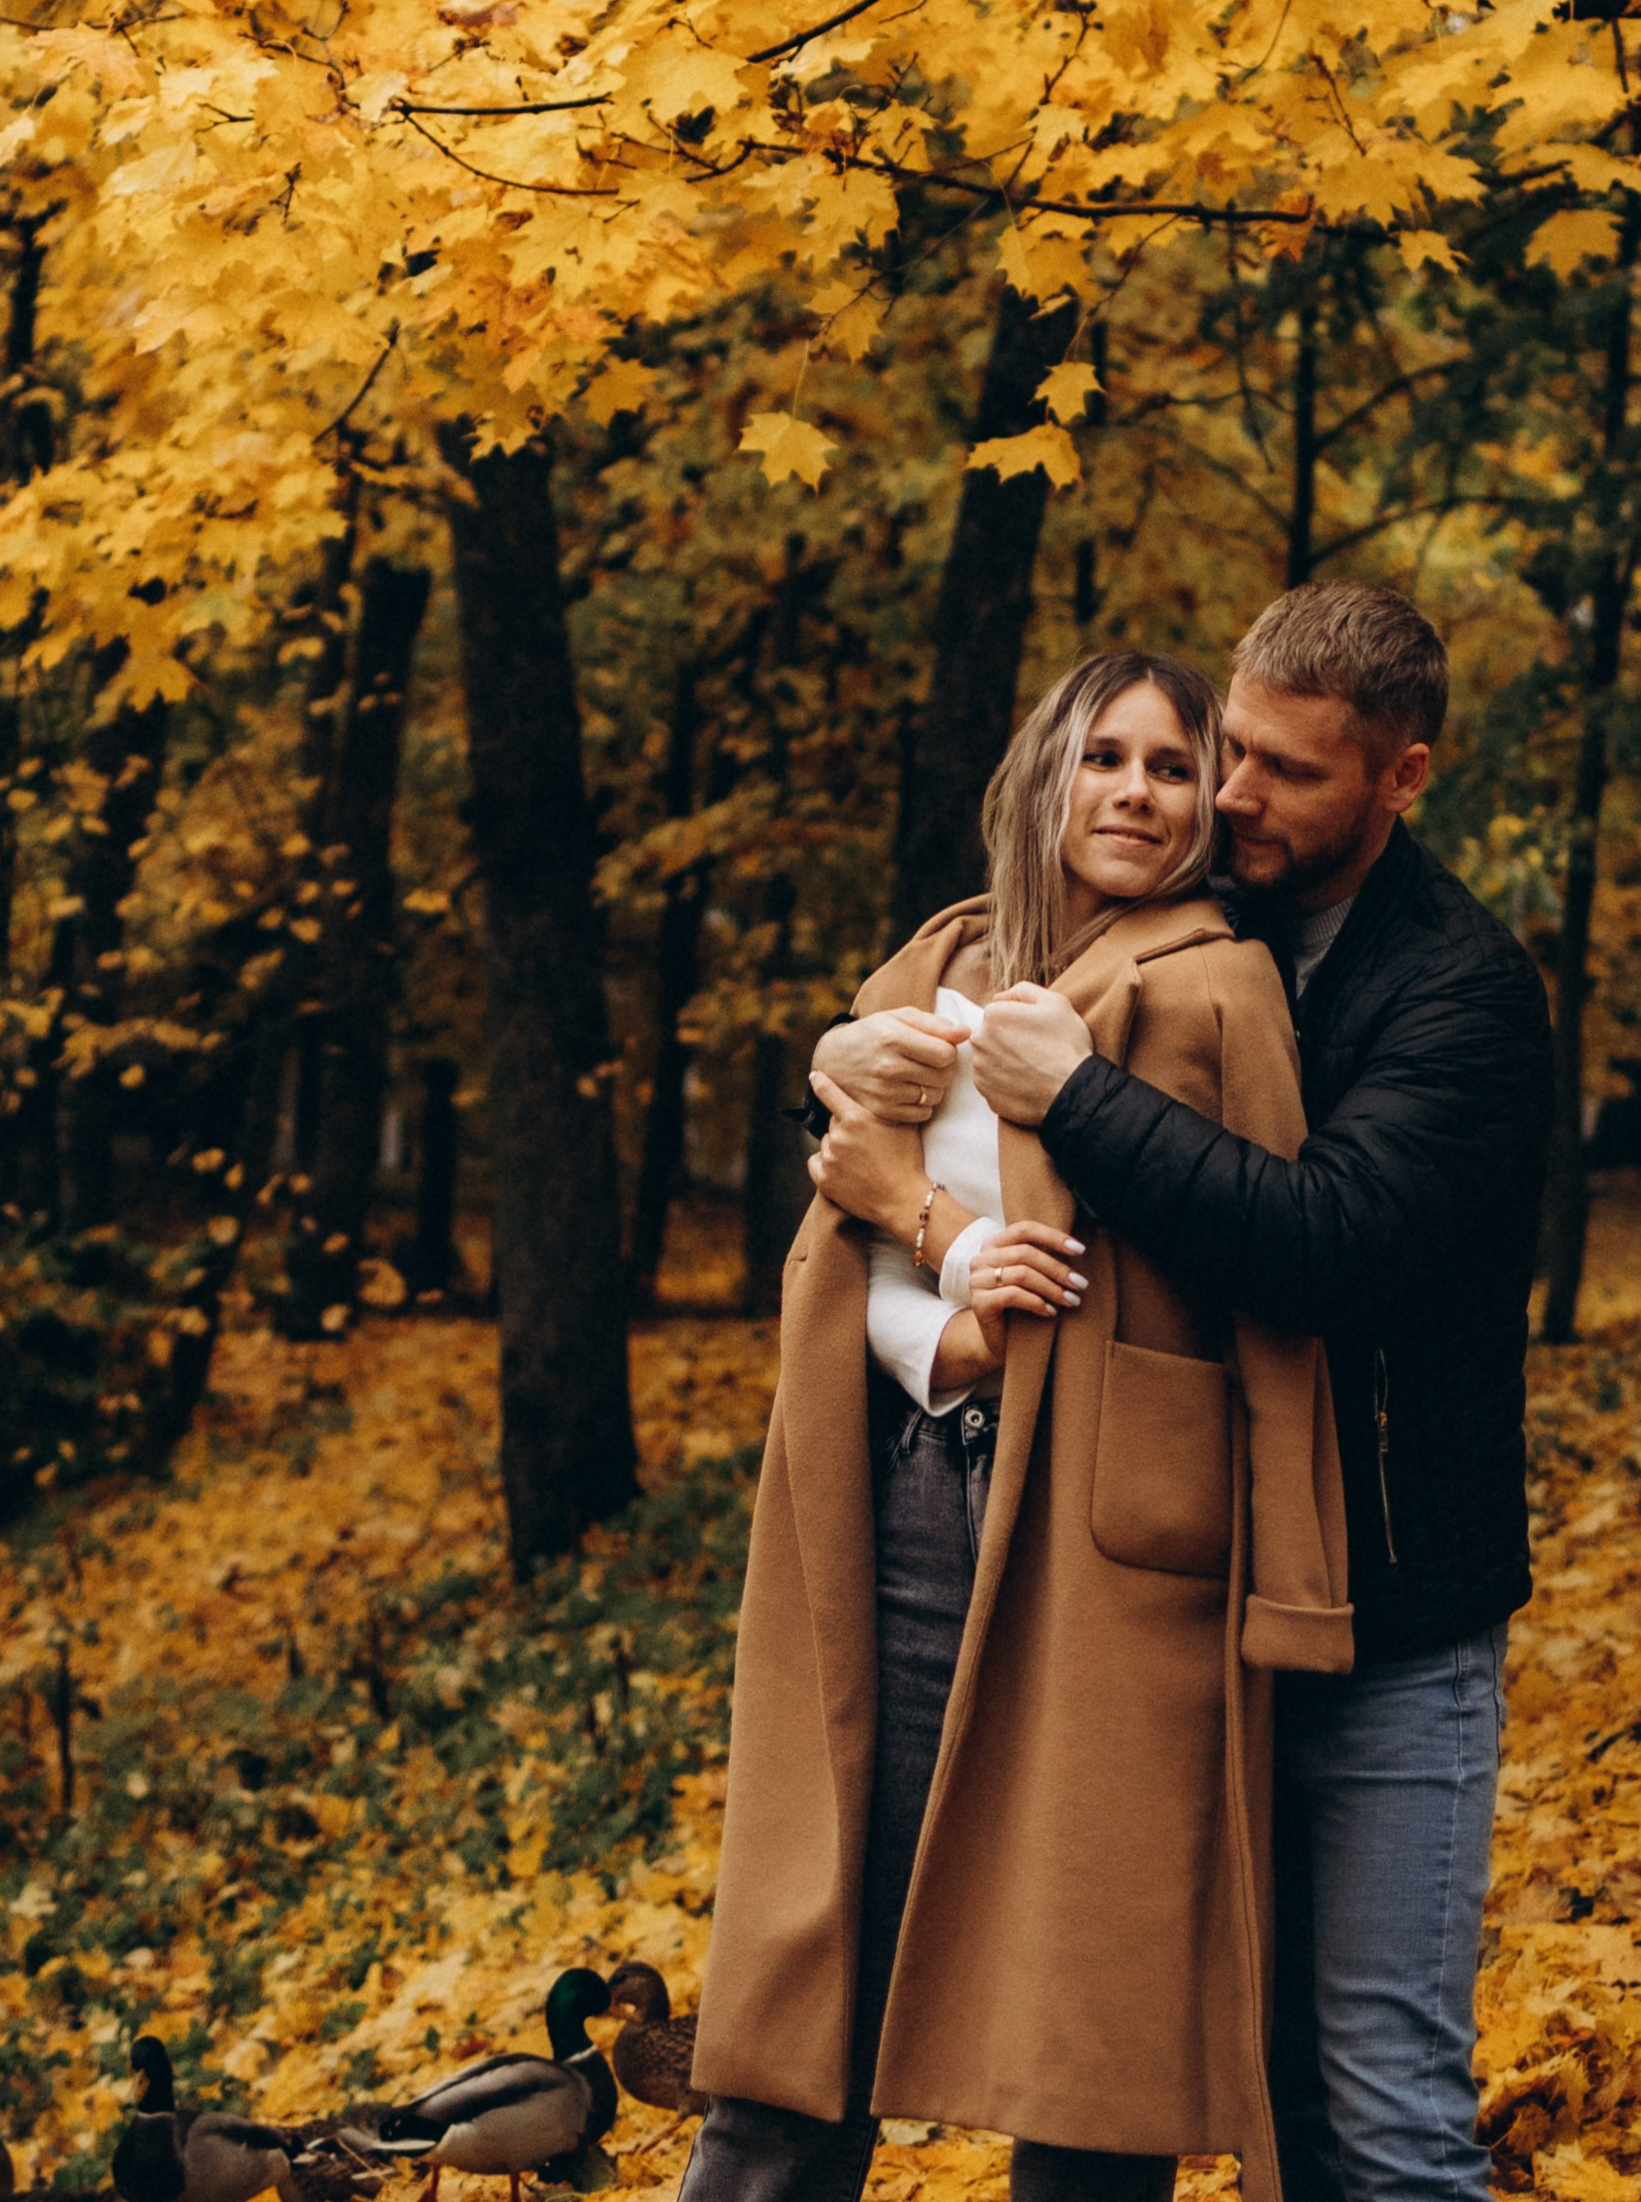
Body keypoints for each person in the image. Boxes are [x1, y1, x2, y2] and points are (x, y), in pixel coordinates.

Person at [813, 583, 1550, 2202]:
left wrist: (1071, 1100)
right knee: (1192, 2064)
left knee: (1377, 2102)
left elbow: (1323, 1244)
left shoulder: (1461, 995)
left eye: (1281, 772)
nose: (1227, 798)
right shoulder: (1207, 921)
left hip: (1387, 1612)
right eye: (1230, 752)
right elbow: (970, 1002)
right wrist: (842, 1063)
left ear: (1400, 779)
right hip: (1195, 1599)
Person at [684, 650, 1351, 2202]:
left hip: (1121, 1535)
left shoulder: (1217, 982)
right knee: (817, 1930)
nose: (1134, 791)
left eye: (1173, 769)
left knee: (1089, 2007)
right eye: (1103, 757)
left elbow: (1272, 1290)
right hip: (911, 1489)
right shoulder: (929, 967)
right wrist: (953, 1320)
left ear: (1203, 811)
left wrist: (1294, 1591)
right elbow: (835, 1247)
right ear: (1043, 777)